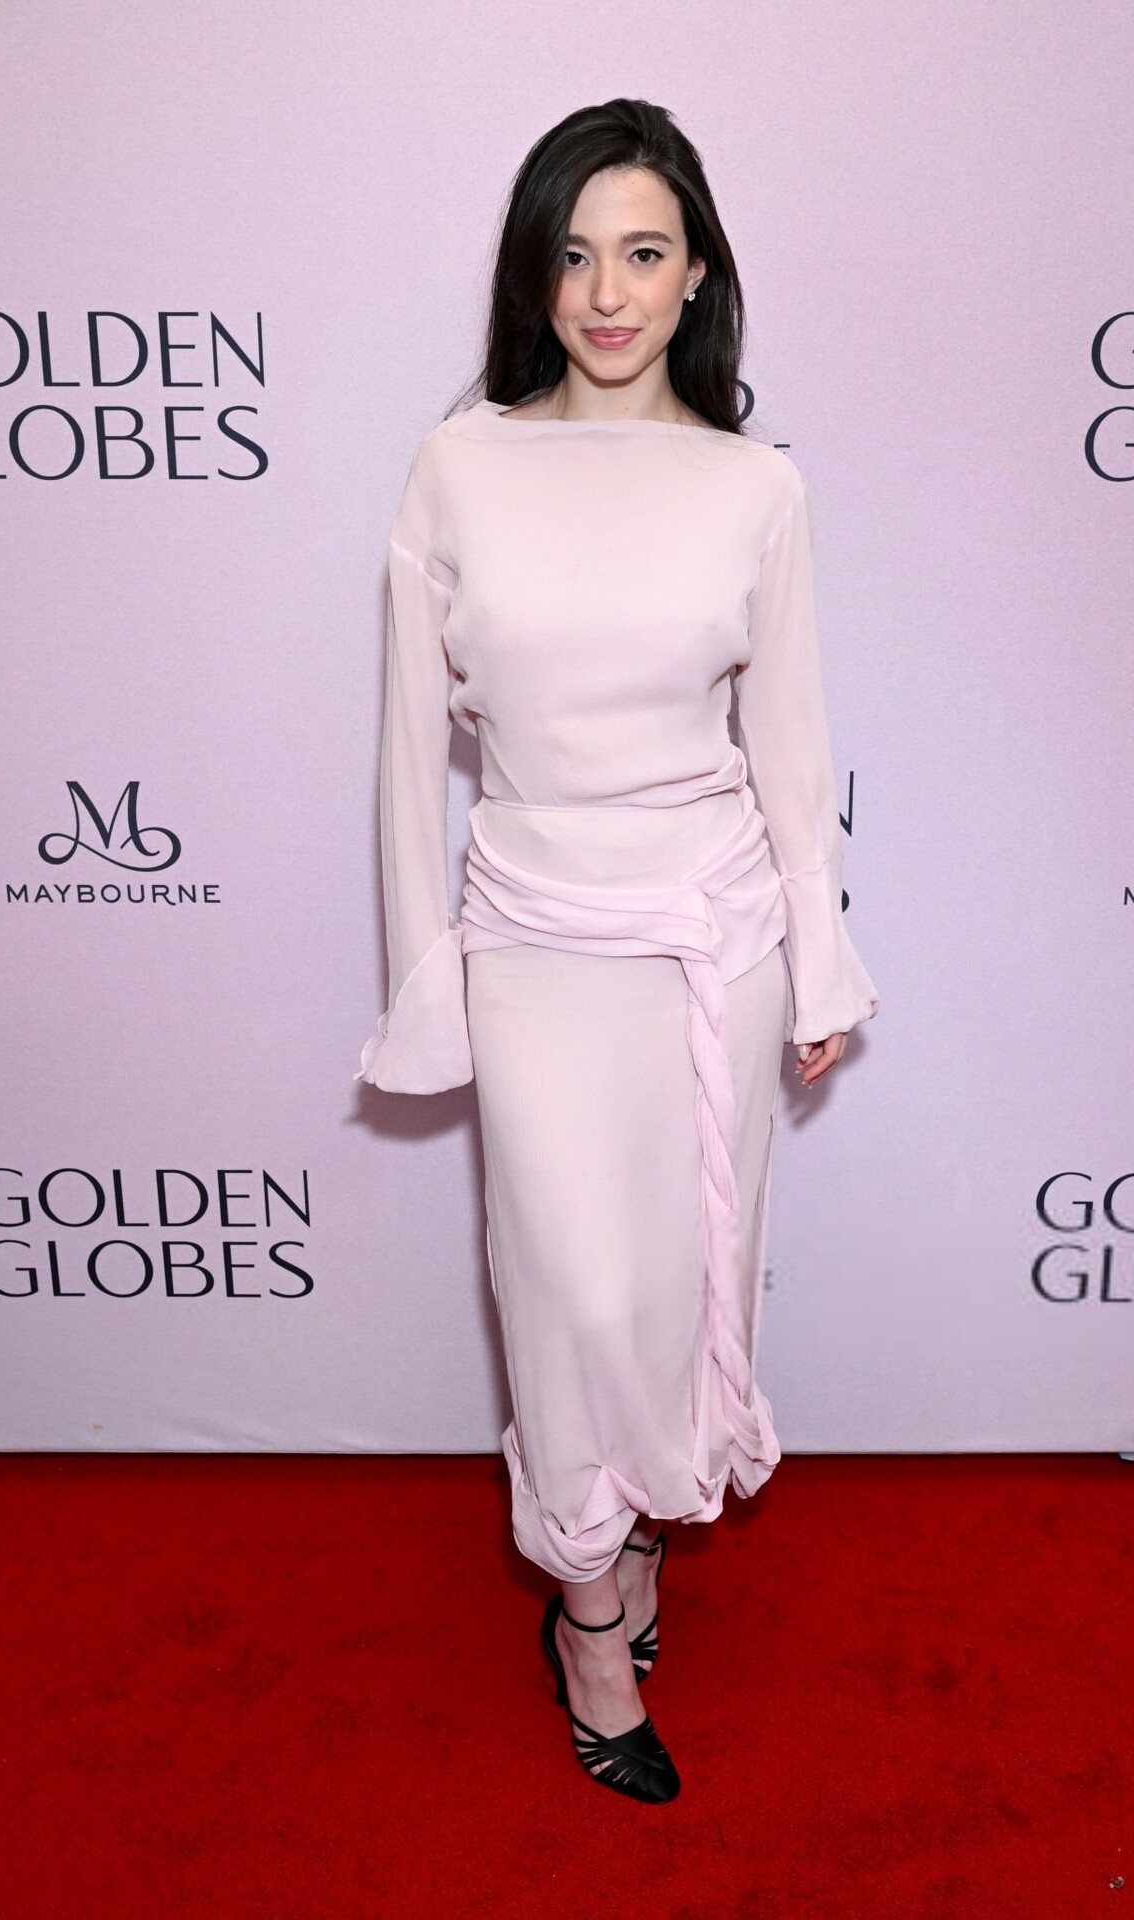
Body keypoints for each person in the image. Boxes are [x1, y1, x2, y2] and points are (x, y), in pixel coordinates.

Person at [357, 97, 879, 1804]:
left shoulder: (756, 487)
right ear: (535, 275)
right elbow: (403, 758)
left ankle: (639, 1534)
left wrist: (820, 961)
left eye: (643, 253)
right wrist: (426, 986)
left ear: (696, 273)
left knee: (681, 1286)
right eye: (574, 255)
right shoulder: (459, 466)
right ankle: (589, 1618)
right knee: (569, 1287)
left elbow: (790, 749)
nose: (606, 293)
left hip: (713, 938)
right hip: (534, 934)